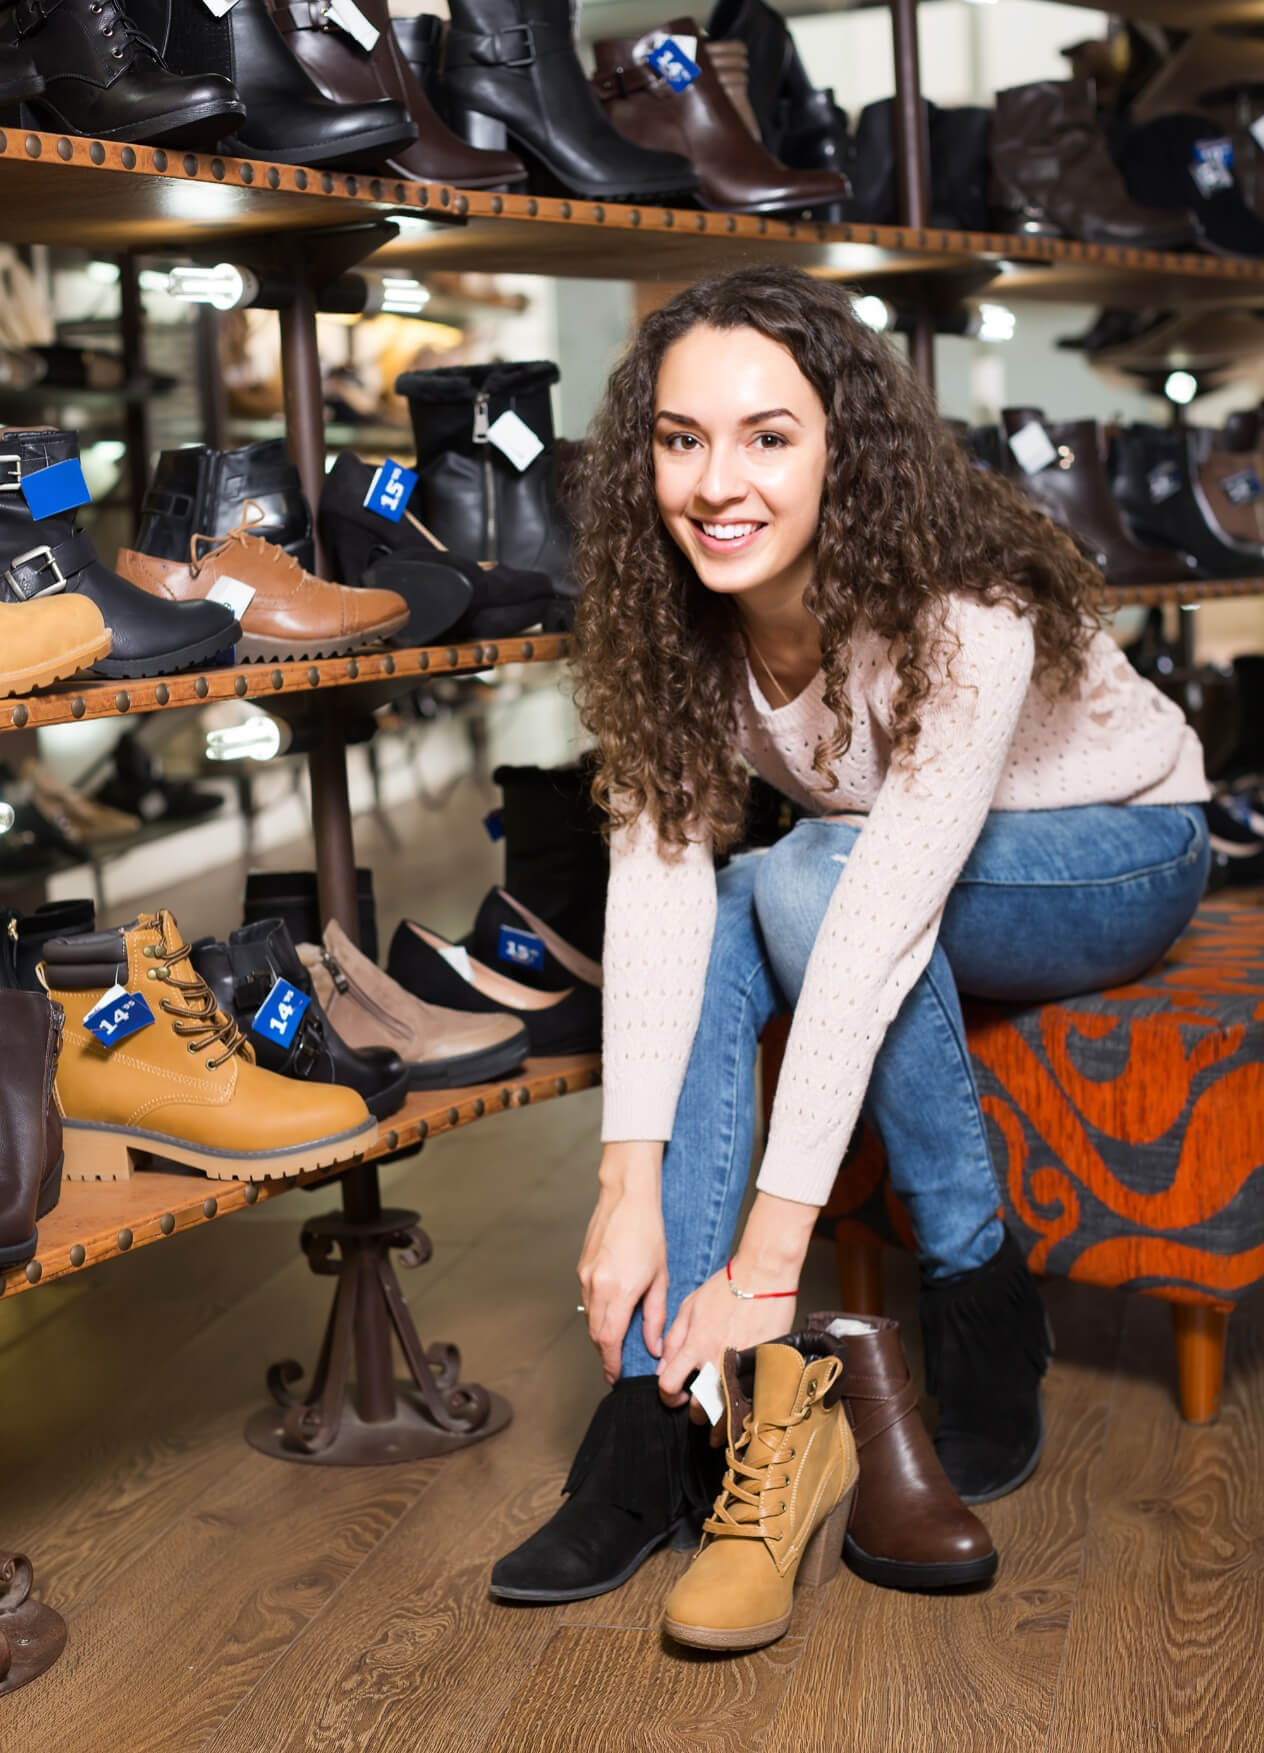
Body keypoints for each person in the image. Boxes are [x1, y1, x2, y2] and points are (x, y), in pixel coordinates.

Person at [490, 265, 1210, 1605]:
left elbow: (879, 913)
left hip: (1121, 847)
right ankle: (660, 1423)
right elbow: (656, 879)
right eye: (681, 440)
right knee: (734, 901)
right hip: (873, 869)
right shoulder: (680, 610)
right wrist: (624, 1183)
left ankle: (978, 1294)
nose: (719, 484)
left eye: (769, 436)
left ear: (845, 447)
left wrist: (776, 1263)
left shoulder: (961, 602)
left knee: (811, 875)